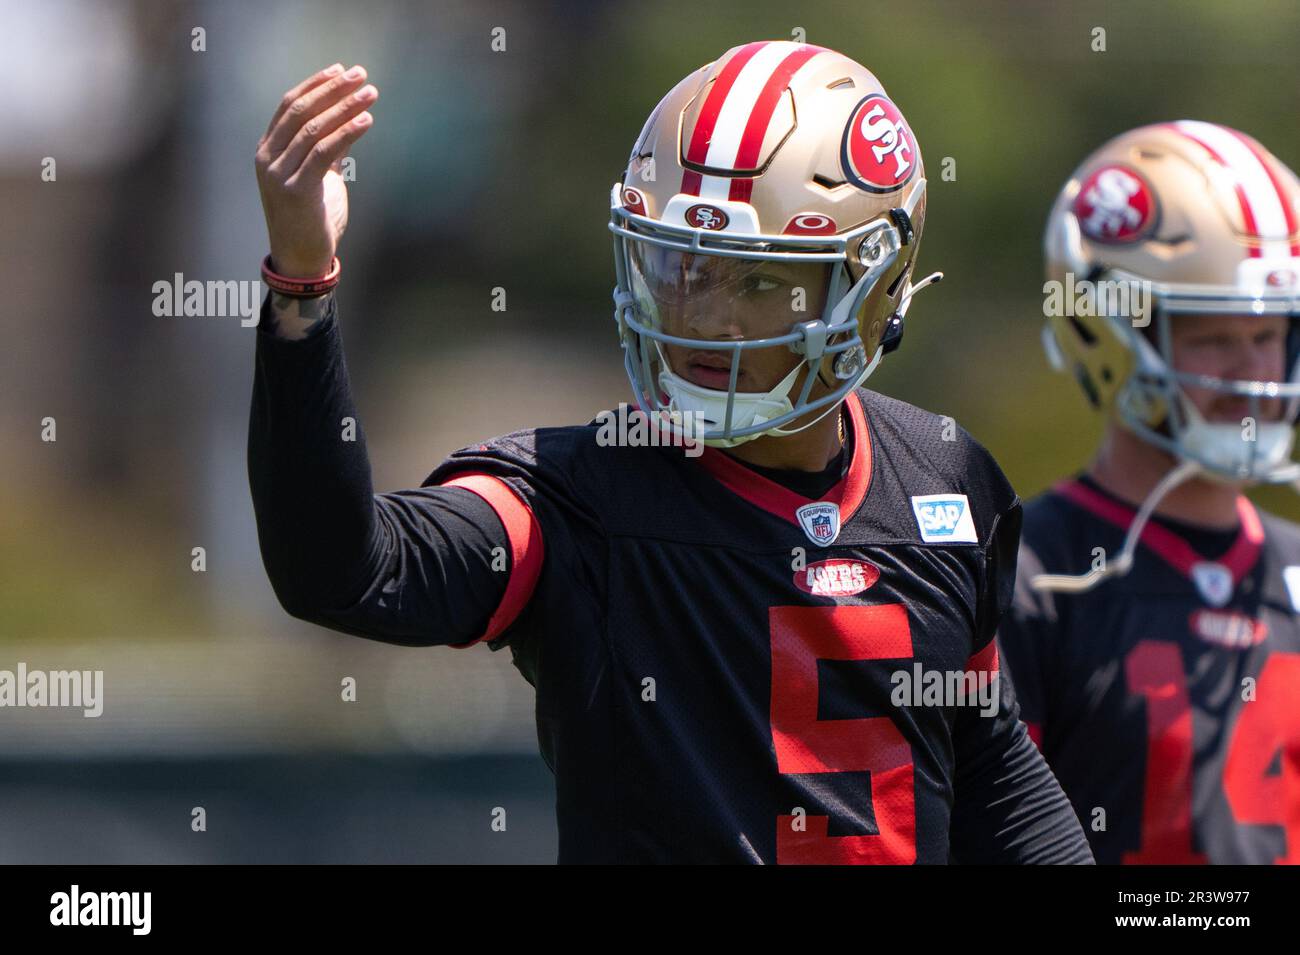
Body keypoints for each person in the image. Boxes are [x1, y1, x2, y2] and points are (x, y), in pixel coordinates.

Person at [249, 43, 1092, 863]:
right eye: (681, 264)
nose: (701, 318)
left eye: (756, 281)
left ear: (872, 288)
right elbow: (343, 570)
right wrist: (301, 286)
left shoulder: (946, 479)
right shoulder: (574, 499)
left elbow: (988, 768)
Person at [999, 121, 1300, 864]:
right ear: (1107, 332)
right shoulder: (1030, 576)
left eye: (1271, 334)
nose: (1252, 373)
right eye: (1212, 335)